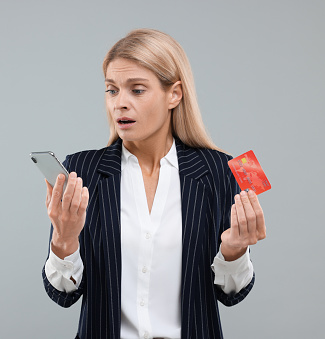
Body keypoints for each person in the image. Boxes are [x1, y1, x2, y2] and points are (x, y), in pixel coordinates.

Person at [41, 29, 266, 339]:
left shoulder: (223, 171)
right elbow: (62, 293)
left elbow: (231, 294)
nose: (120, 103)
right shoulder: (80, 170)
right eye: (112, 90)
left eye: (137, 90)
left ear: (174, 94)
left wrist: (234, 251)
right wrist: (63, 242)